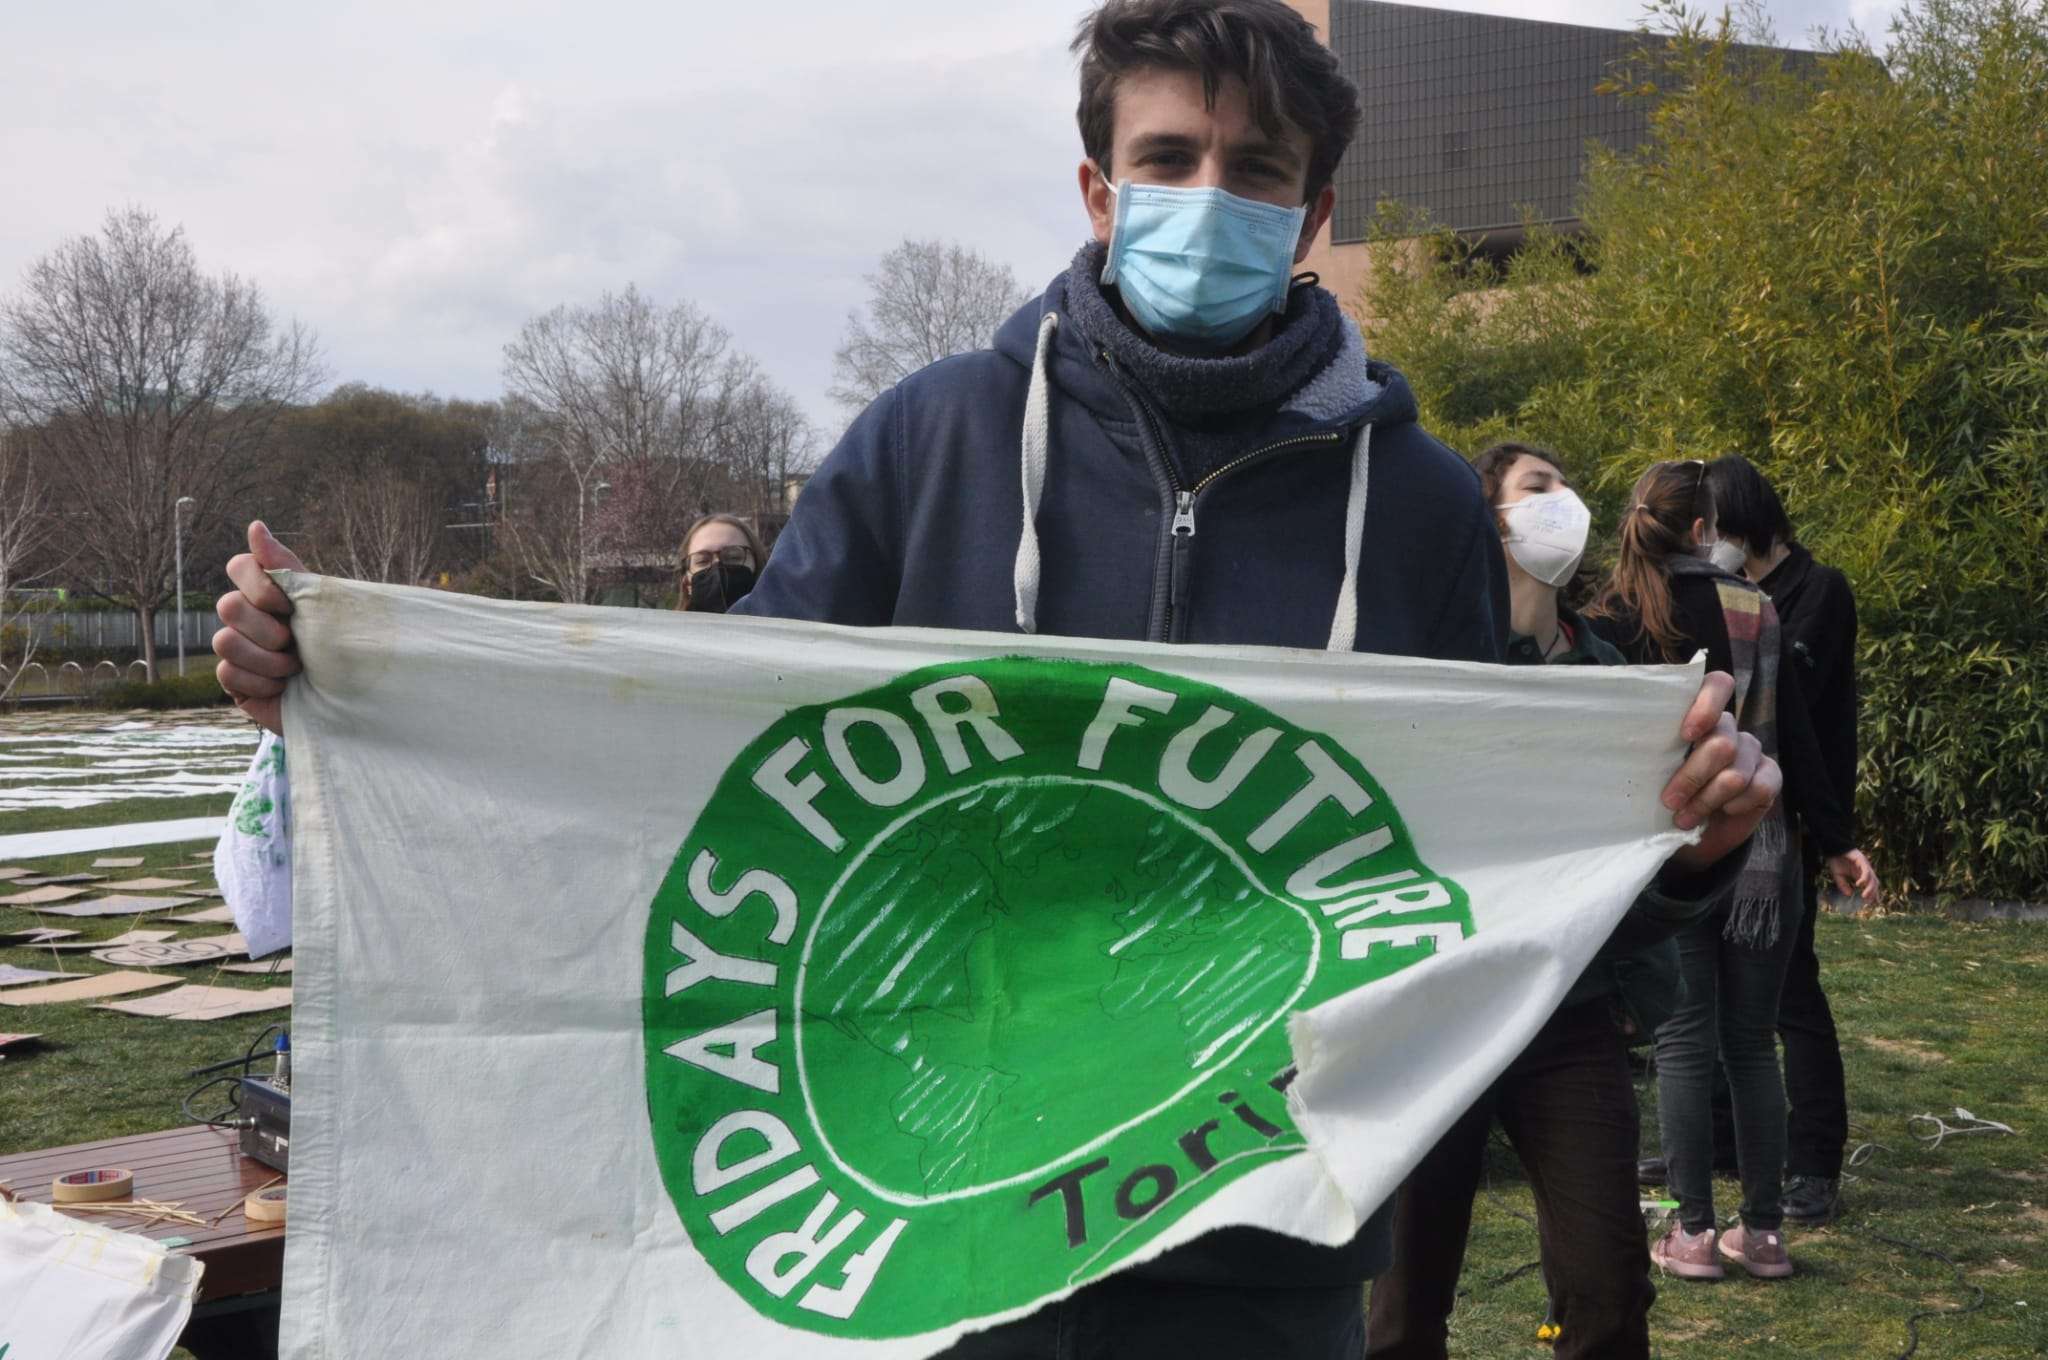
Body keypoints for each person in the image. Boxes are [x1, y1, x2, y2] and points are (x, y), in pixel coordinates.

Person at [214, 4, 1779, 1353]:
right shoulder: (936, 439)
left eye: (1258, 171)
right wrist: (358, 692)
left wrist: (1682, 866)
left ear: (1313, 221)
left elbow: (1485, 887)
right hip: (929, 1238)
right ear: (1098, 188)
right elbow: (692, 754)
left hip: (1264, 1245)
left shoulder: (1425, 507)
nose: (1207, 196)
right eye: (1167, 160)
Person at [1365, 445, 1740, 1360]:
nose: (1565, 501)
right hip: (1430, 1014)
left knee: (1609, 1289)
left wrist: (1700, 865)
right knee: (1402, 1302)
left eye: (1568, 485)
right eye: (1540, 487)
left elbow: (1639, 885)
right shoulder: (1410, 666)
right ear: (1487, 519)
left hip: (1566, 1016)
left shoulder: (1611, 678)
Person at [1586, 460, 1841, 1283]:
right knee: (1751, 1046)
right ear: (1705, 530)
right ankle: (1763, 1234)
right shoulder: (1754, 605)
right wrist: (1837, 839)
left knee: (1684, 1045)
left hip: (1669, 855)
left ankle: (1692, 1235)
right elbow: (1794, 739)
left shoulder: (1611, 613)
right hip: (1761, 853)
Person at [1702, 455, 1877, 1224]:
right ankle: (1717, 1141)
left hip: (1786, 821)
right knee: (1700, 990)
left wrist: (1833, 832)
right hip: (1715, 812)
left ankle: (1814, 1164)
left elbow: (1794, 708)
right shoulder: (1722, 593)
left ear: (1741, 520)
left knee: (1789, 994)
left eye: (1712, 525)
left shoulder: (1818, 590)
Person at [677, 512, 766, 613]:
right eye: (703, 561)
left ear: (757, 566)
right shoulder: (665, 629)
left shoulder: (785, 624)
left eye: (733, 557)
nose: (718, 567)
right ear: (687, 583)